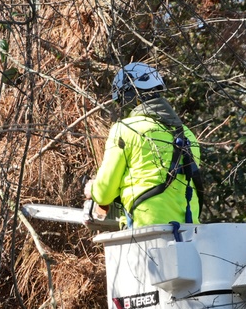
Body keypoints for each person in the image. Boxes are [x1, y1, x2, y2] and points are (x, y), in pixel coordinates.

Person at [84, 62, 202, 228]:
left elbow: (104, 194)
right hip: (189, 231)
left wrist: (93, 190)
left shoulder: (125, 129)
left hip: (146, 230)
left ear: (128, 97)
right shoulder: (188, 134)